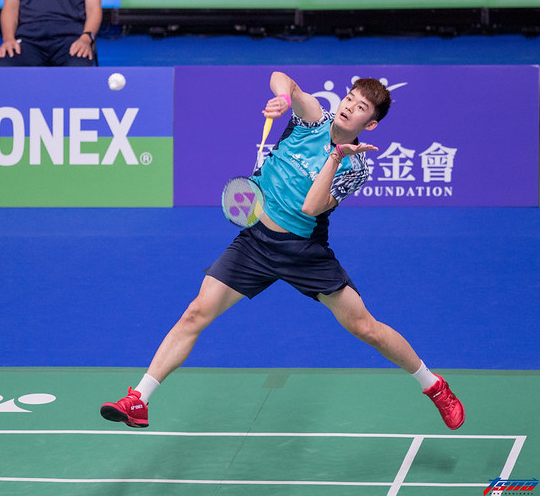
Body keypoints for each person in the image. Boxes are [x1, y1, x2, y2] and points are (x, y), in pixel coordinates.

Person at [100, 71, 465, 431]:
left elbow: (311, 207)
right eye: (350, 98)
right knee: (196, 313)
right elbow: (282, 78)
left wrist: (335, 156)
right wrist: (283, 98)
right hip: (255, 242)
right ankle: (139, 399)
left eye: (361, 108)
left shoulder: (355, 167)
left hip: (303, 251)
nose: (349, 107)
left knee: (365, 327)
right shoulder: (313, 119)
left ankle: (434, 385)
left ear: (370, 124)